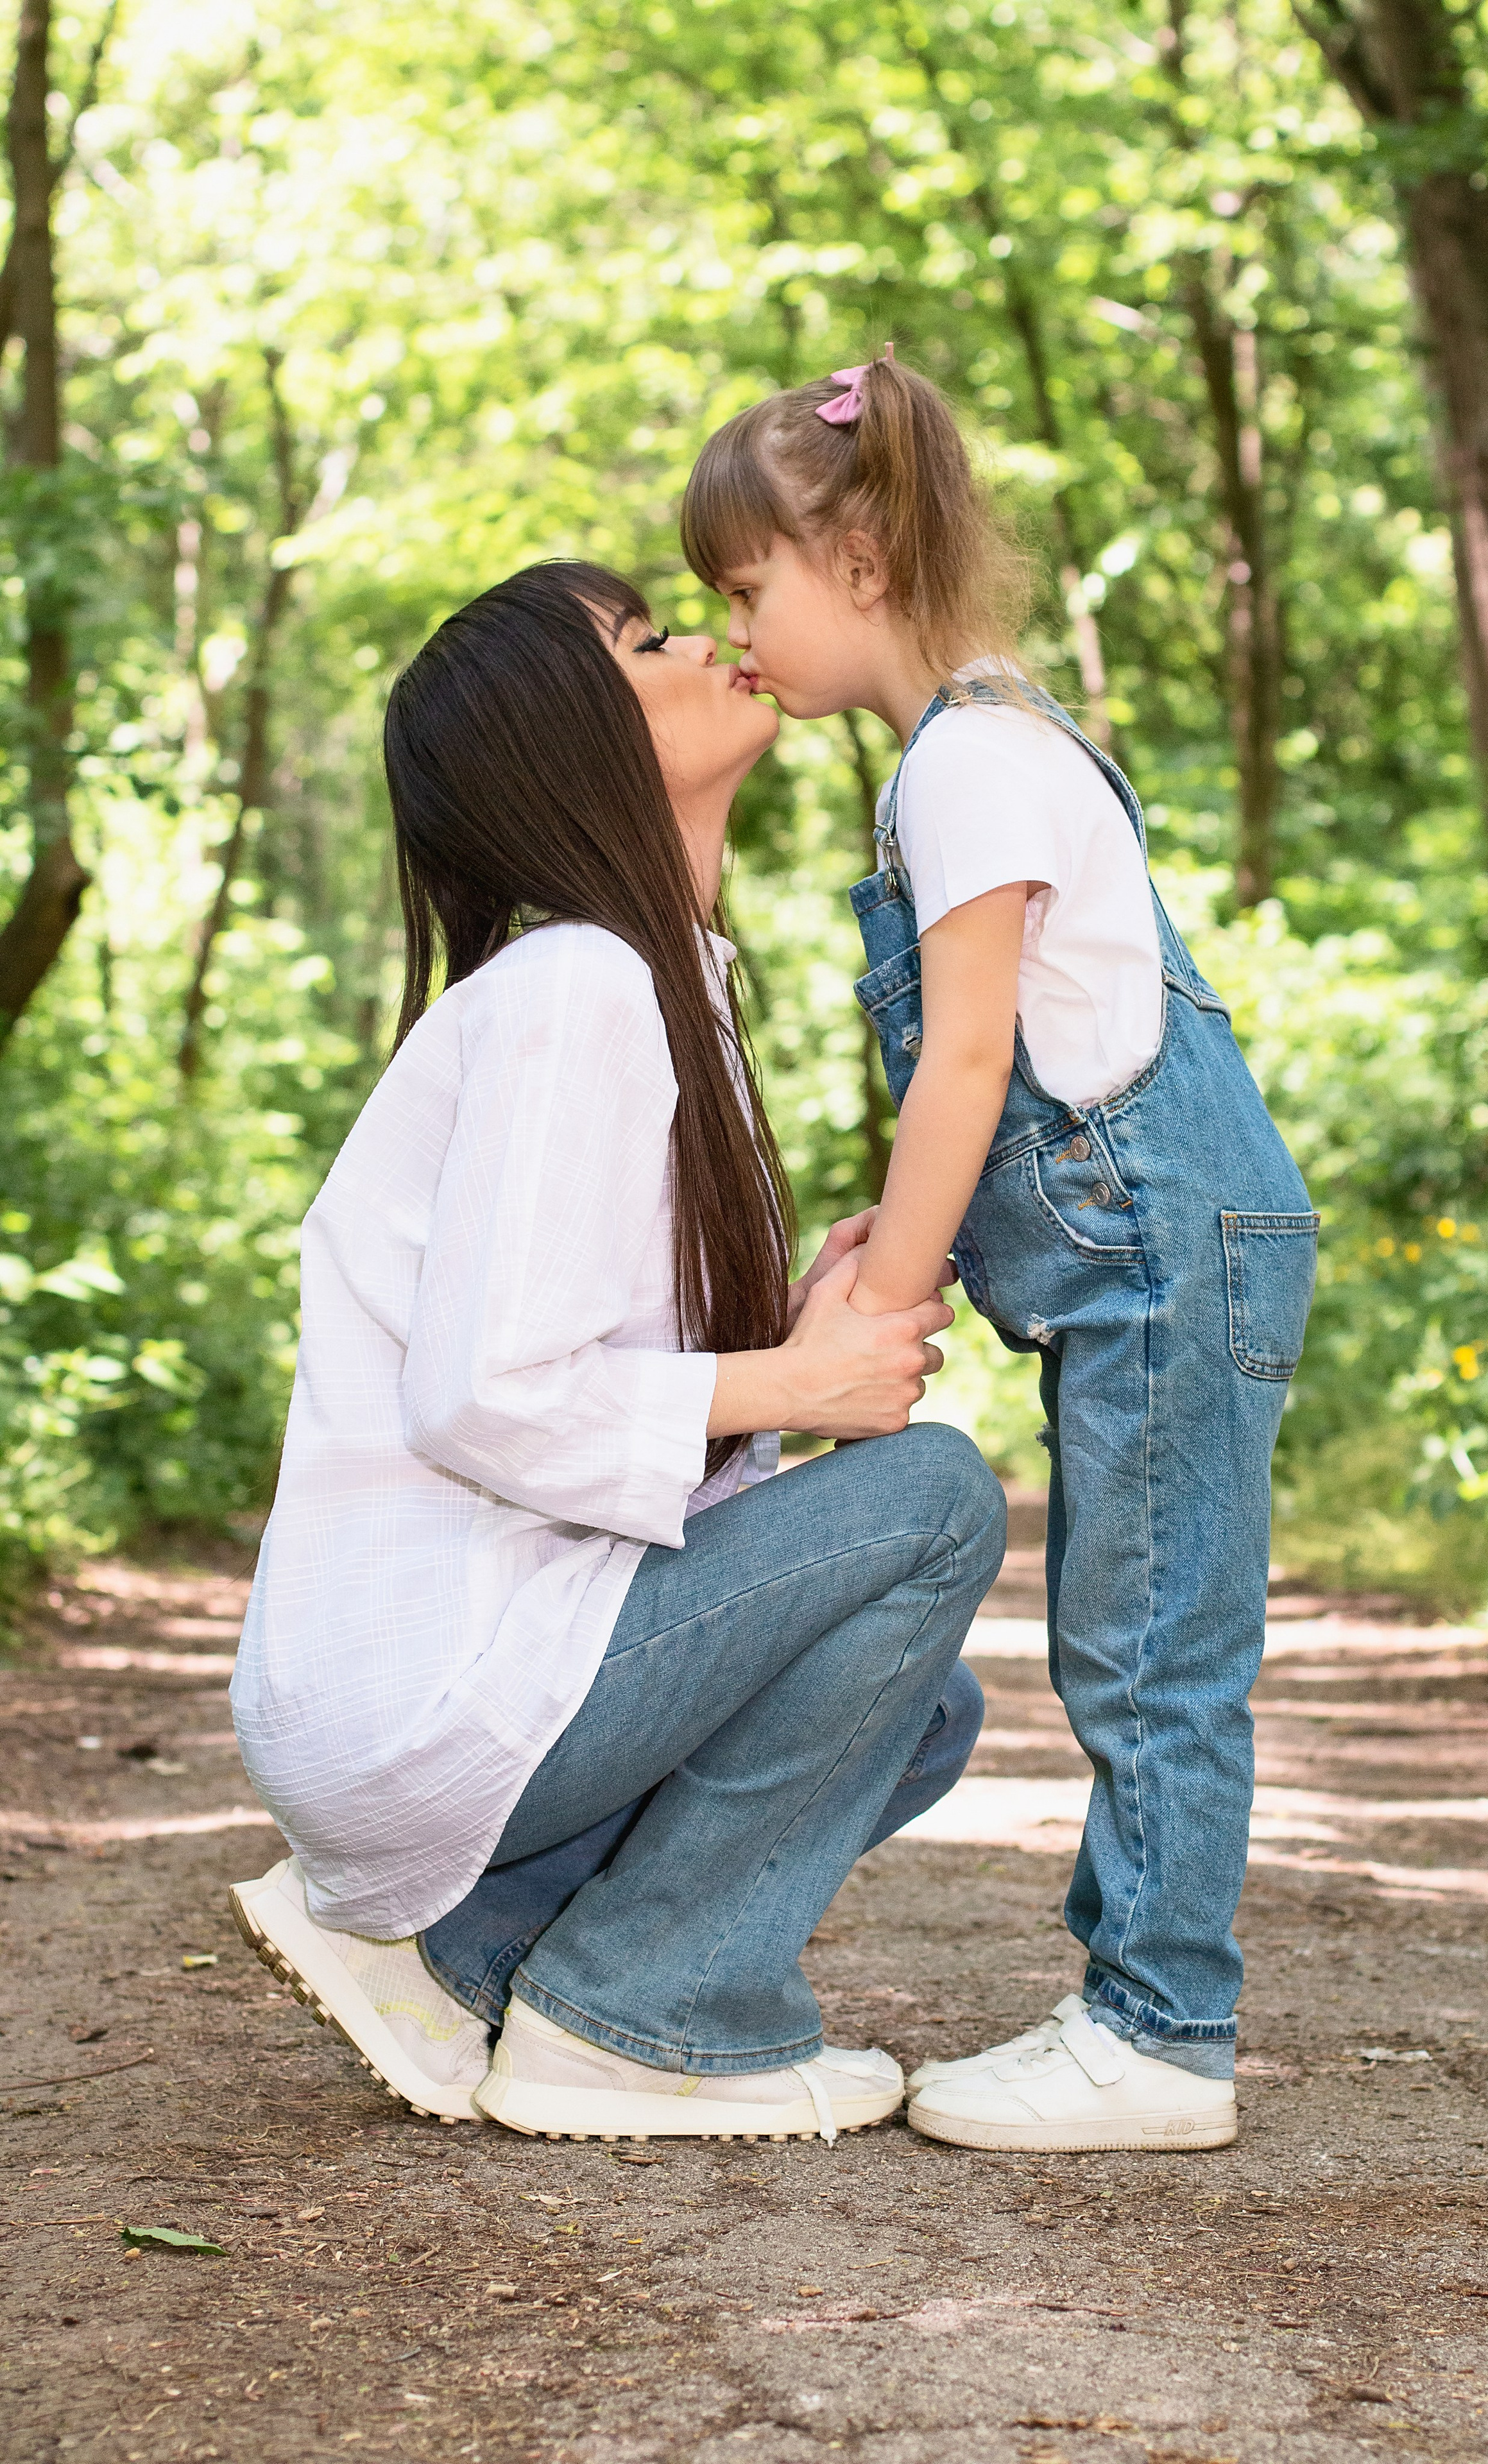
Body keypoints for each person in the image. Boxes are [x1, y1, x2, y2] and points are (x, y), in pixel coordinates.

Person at [228, 559, 1007, 2145]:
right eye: (648, 640)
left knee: (921, 1714)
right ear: (566, 739)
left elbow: (576, 1385)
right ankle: (643, 2014)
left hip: (484, 1670)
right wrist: (793, 1385)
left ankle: (469, 1956)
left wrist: (773, 1343)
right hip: (432, 1688)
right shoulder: (578, 985)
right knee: (932, 1502)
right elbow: (484, 1395)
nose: (713, 641)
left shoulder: (660, 986)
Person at [680, 352, 1320, 2154]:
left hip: (1171, 1249)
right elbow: (1034, 1063)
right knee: (1132, 1627)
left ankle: (1161, 2036)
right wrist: (927, 1228)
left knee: (1148, 1643)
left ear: (861, 558)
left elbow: (971, 1060)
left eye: (750, 591)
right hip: (1155, 1240)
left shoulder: (969, 763)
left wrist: (872, 1321)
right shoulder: (963, 753)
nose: (739, 636)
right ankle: (1147, 2012)